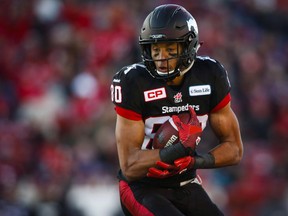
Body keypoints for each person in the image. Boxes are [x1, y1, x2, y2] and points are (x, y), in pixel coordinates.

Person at [110, 4, 243, 216]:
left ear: (188, 47)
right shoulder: (133, 81)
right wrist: (176, 151)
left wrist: (194, 160)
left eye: (170, 50)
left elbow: (234, 149)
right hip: (141, 187)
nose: (161, 58)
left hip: (185, 183)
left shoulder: (210, 73)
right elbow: (129, 165)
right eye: (155, 49)